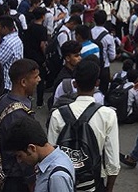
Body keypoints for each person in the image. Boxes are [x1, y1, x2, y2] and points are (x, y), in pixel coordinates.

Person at [48, 58, 120, 192]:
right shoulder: (107, 114)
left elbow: (50, 156)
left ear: (74, 84)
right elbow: (113, 162)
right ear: (97, 83)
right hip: (94, 181)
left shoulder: (57, 114)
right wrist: (108, 188)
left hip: (65, 181)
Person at [0, 59, 41, 191]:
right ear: (23, 82)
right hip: (16, 179)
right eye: (35, 77)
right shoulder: (19, 115)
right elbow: (25, 153)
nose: (39, 80)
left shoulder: (3, 100)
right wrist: (31, 183)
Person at [3, 116, 75, 192]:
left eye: (20, 156)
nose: (19, 161)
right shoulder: (60, 156)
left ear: (32, 148)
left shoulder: (56, 177)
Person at [23, 8, 50, 107]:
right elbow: (42, 45)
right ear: (43, 16)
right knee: (40, 79)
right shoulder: (42, 29)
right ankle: (40, 102)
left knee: (28, 76)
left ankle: (27, 97)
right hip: (39, 57)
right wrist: (45, 55)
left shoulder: (29, 26)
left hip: (29, 55)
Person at [0, 16, 24, 92]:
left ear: (5, 28)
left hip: (6, 84)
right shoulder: (16, 39)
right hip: (13, 81)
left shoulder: (8, 43)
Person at [91, 10, 116, 94]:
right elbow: (112, 56)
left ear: (94, 19)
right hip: (104, 67)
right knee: (103, 92)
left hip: (90, 65)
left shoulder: (89, 33)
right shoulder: (108, 37)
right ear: (105, 20)